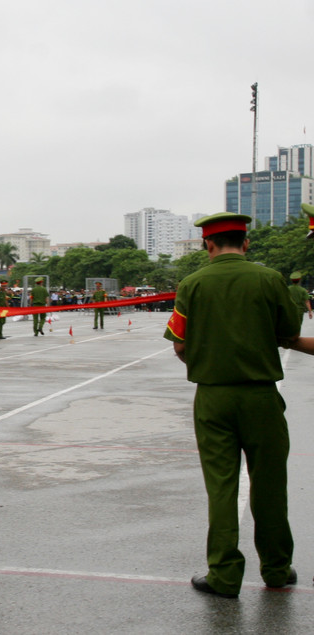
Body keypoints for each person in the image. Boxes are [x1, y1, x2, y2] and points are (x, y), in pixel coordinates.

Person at [164, 212, 301, 598]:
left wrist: (208, 362)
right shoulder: (270, 279)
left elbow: (179, 344)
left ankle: (224, 575)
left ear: (208, 244)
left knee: (222, 486)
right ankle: (276, 568)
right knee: (270, 485)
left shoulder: (191, 284)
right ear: (245, 243)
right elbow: (289, 332)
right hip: (260, 397)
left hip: (212, 397)